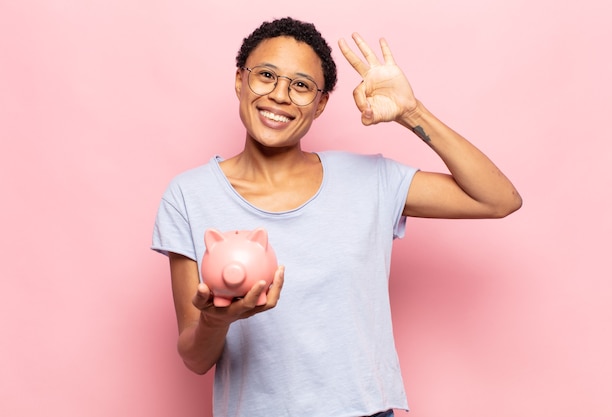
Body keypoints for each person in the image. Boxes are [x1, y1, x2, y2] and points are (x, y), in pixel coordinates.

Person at [152, 17, 522, 417]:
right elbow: (195, 358)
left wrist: (412, 113)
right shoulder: (189, 195)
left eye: (300, 85)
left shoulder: (369, 180)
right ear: (240, 81)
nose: (279, 95)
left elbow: (498, 199)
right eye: (266, 76)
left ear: (321, 102)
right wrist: (218, 320)